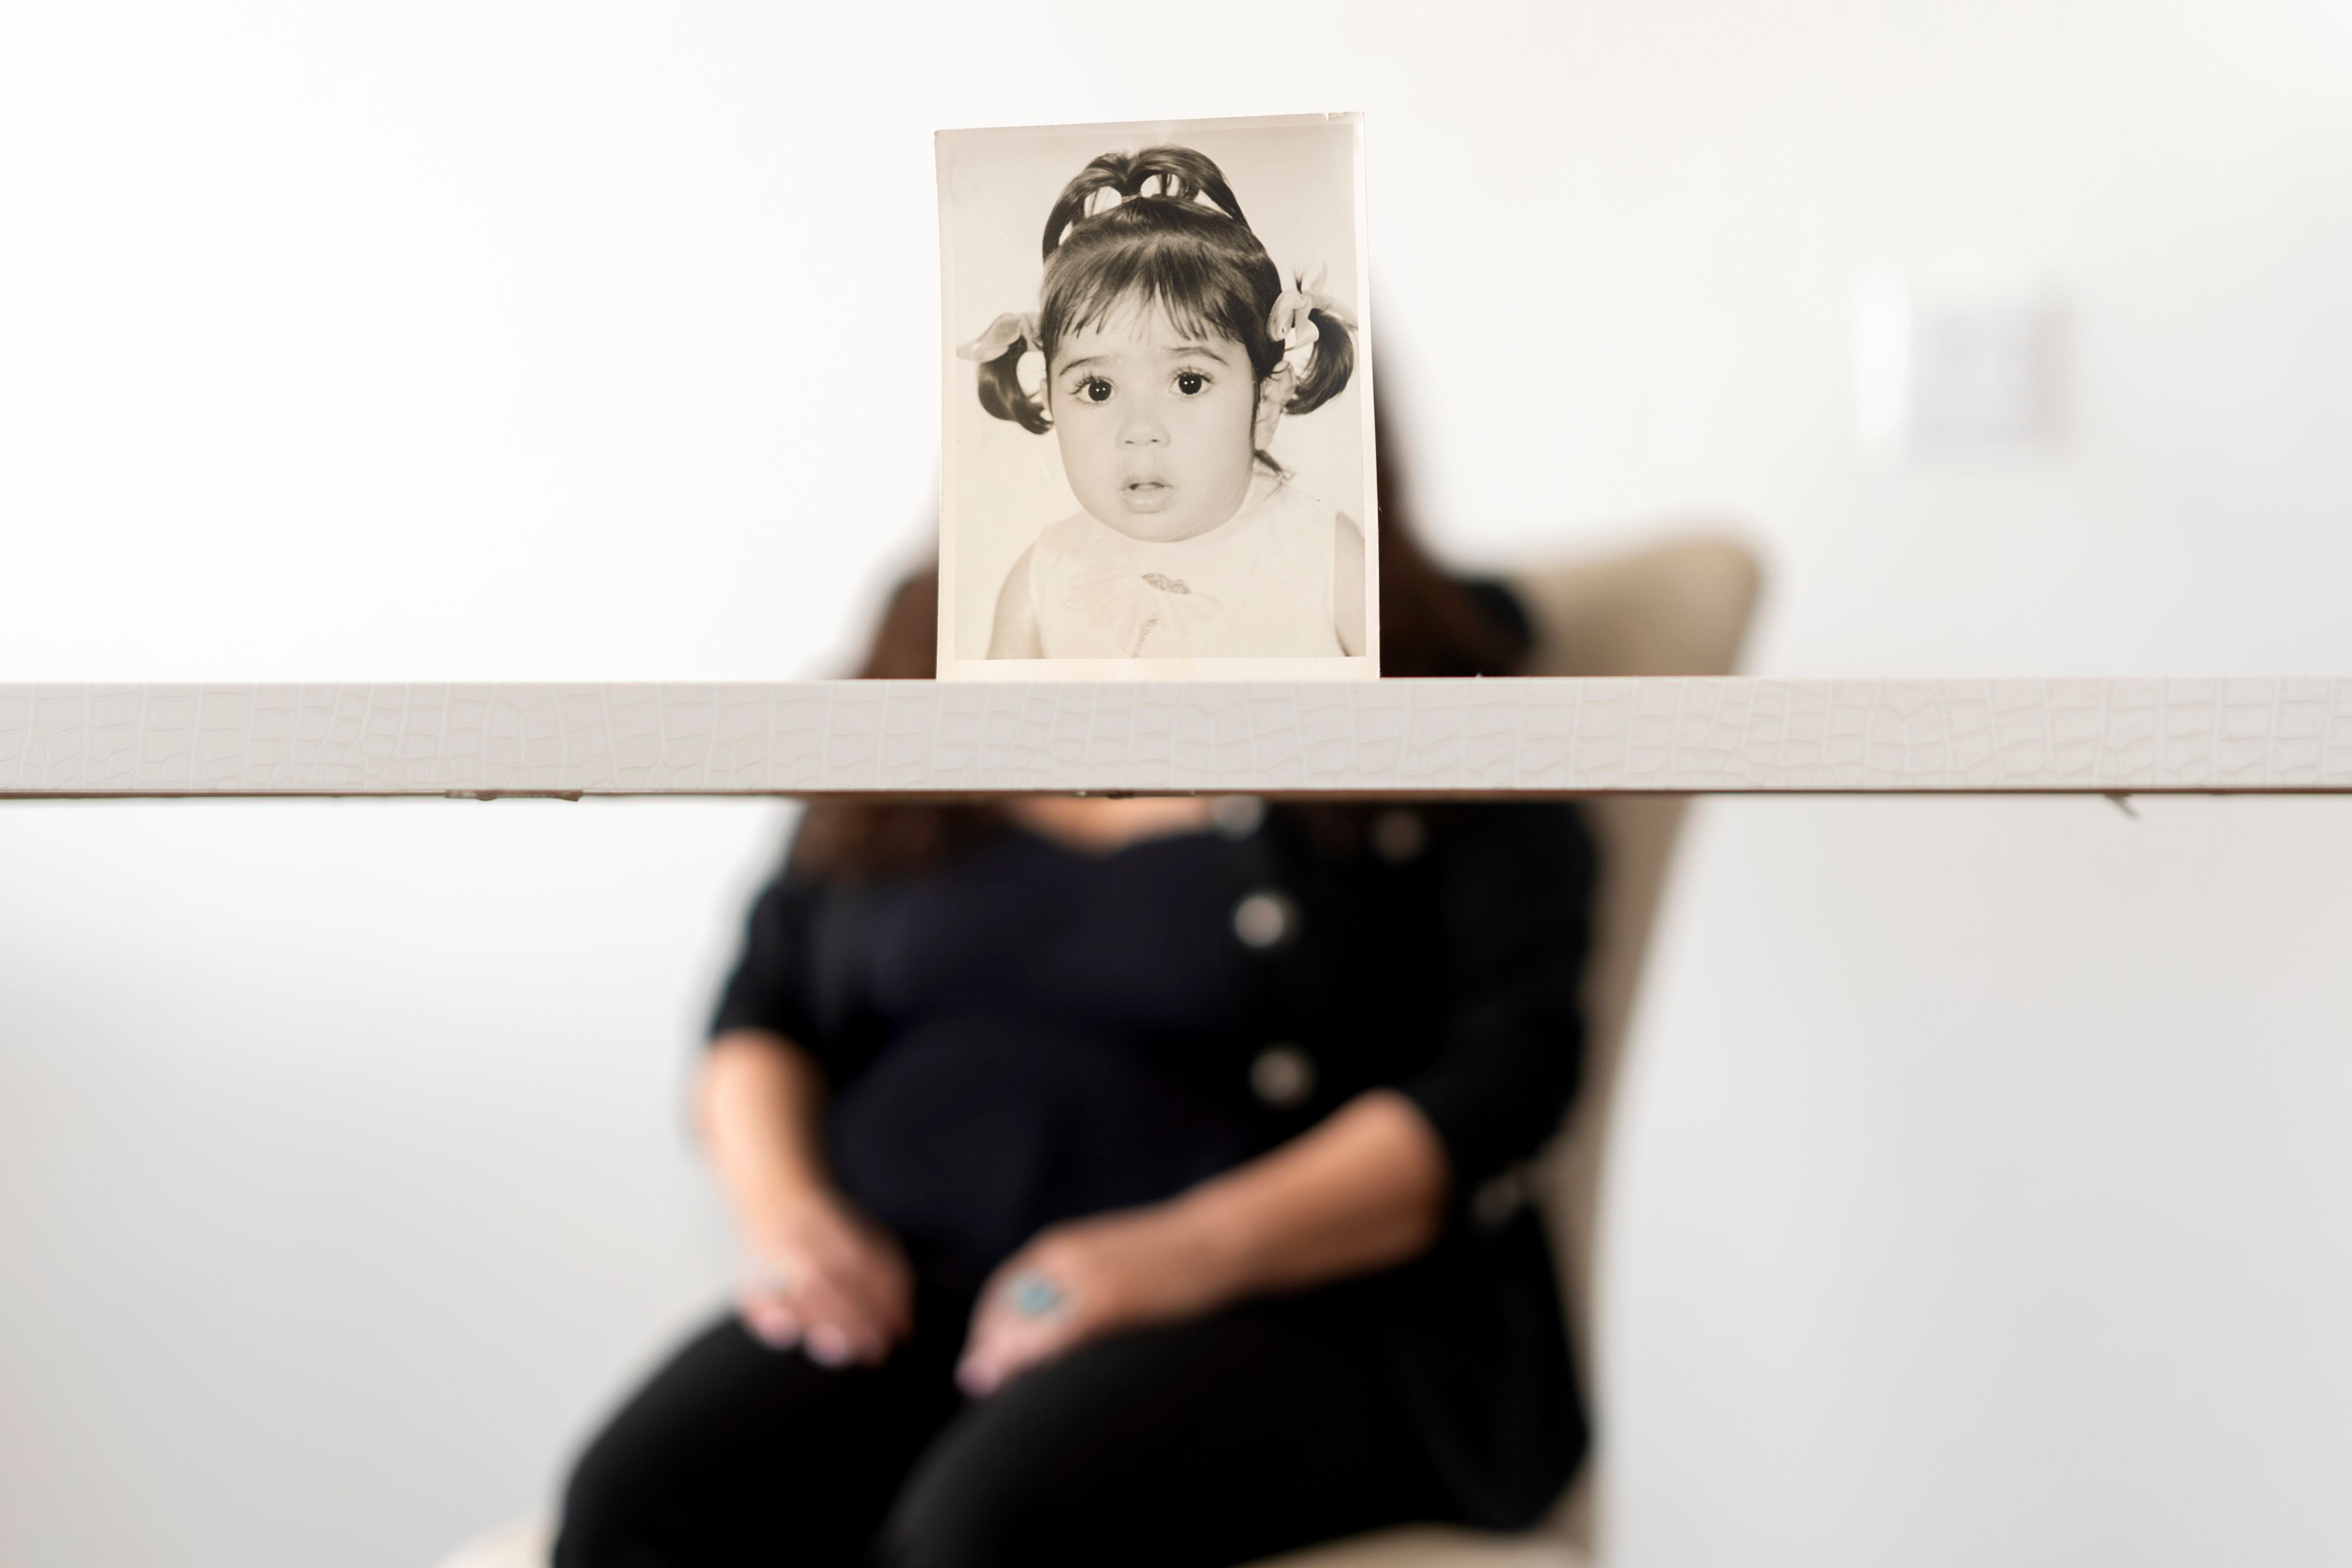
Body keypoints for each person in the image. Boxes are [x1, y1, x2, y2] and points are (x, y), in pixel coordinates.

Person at [554, 447, 1599, 1567]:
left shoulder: (1437, 695)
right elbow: (762, 1009)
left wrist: (1194, 1250)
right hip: (918, 1271)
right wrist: (785, 1214)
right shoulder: (915, 676)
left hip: (1287, 1293)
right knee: (641, 1501)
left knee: (984, 1535)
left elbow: (1508, 1071)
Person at [966, 145, 1366, 661]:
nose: (1140, 429)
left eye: (1189, 383)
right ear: (1049, 401)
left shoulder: (1328, 562)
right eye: (1098, 389)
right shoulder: (1039, 583)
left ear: (1265, 403)